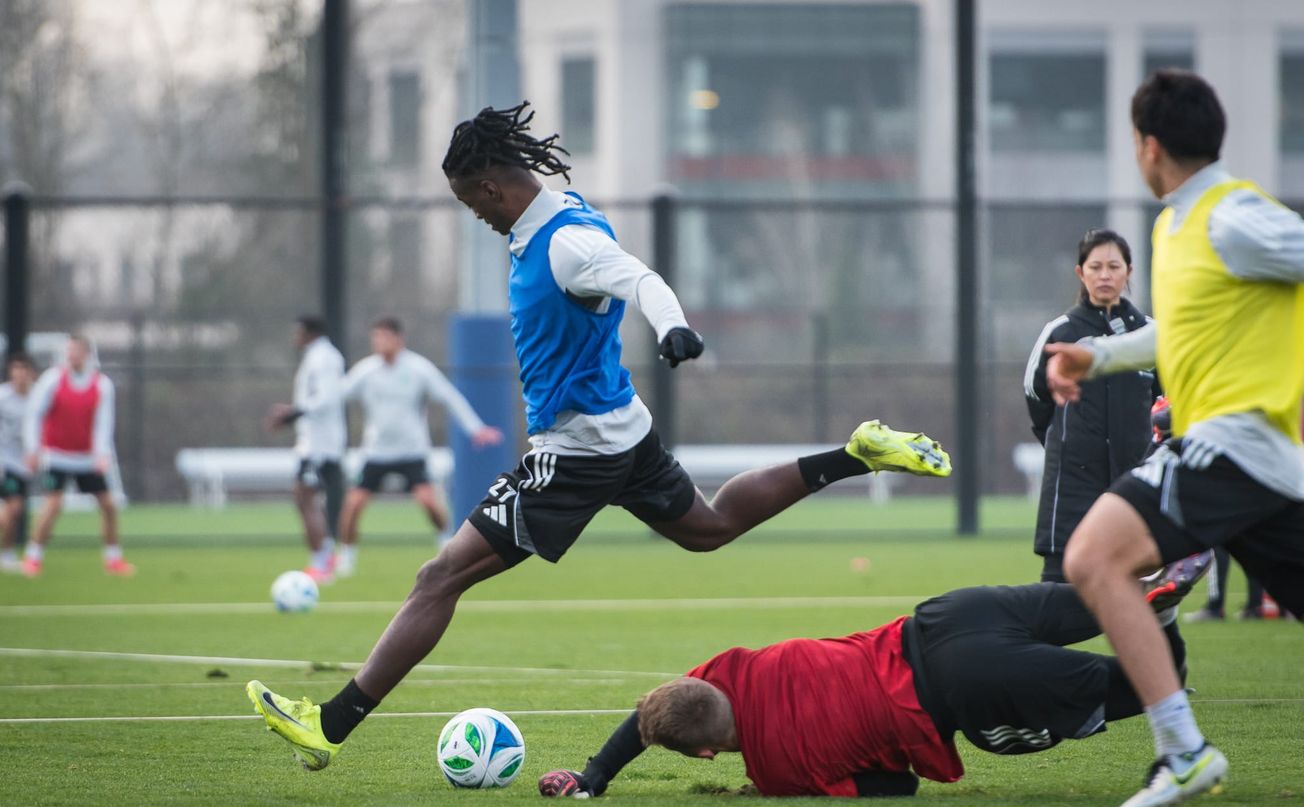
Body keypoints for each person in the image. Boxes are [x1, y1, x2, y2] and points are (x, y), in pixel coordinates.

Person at [246, 102, 952, 770]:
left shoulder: (567, 242)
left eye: (471, 204)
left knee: (439, 577)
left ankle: (328, 726)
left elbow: (639, 279)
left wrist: (672, 325)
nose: (476, 217)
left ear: (490, 188)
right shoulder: (562, 216)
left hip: (576, 452)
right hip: (624, 432)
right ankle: (854, 453)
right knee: (708, 526)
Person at [1044, 70, 1304, 807]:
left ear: (1149, 146)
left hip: (1234, 447)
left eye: (1133, 140)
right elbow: (1183, 332)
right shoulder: (1174, 225)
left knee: (1094, 557)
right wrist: (1100, 357)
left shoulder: (1234, 217)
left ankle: (1183, 751)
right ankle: (1183, 750)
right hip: (1260, 471)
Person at [537, 554, 1212, 800]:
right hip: (945, 615)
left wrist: (770, 792)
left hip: (966, 685)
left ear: (709, 750)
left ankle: (1166, 620)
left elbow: (899, 787)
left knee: (1154, 685)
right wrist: (593, 776)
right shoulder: (731, 669)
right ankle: (1161, 586)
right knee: (1111, 596)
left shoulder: (777, 771)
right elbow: (653, 713)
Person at [1024, 228, 1158, 583]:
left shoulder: (1150, 333)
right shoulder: (1060, 332)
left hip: (1136, 477)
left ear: (1129, 271)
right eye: (1095, 266)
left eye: (1114, 266)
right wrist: (1065, 444)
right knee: (1058, 582)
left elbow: (1164, 399)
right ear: (1080, 273)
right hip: (1072, 480)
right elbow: (1036, 398)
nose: (1105, 275)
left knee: (1143, 588)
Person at [333, 317, 503, 578]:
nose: (379, 342)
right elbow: (335, 396)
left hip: (412, 452)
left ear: (399, 340)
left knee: (428, 502)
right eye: (375, 337)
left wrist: (475, 428)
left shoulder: (418, 368)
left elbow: (450, 397)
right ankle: (345, 558)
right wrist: (299, 412)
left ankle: (446, 543)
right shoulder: (366, 370)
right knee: (354, 504)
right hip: (375, 453)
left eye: (385, 336)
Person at [21, 334, 134, 577]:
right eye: (68, 351)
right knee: (53, 505)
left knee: (108, 506)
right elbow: (34, 415)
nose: (70, 356)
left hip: (86, 458)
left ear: (87, 354)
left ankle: (113, 559)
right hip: (57, 456)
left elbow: (104, 423)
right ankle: (33, 557)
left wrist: (102, 454)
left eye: (75, 351)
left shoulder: (102, 385)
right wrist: (33, 449)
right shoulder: (52, 380)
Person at [265, 316, 346, 583]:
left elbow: (326, 397)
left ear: (310, 332)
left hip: (320, 445)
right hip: (312, 442)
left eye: (297, 332)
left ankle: (322, 562)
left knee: (304, 496)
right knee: (306, 498)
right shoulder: (316, 356)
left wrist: (292, 413)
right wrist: (294, 415)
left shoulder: (325, 357)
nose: (294, 337)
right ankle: (324, 557)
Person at [0, 353, 36, 572]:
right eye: (16, 369)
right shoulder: (2, 397)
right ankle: (7, 553)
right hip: (4, 462)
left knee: (14, 512)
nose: (20, 374)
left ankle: (7, 553)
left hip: (22, 465)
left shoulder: (38, 397)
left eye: (24, 369)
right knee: (13, 509)